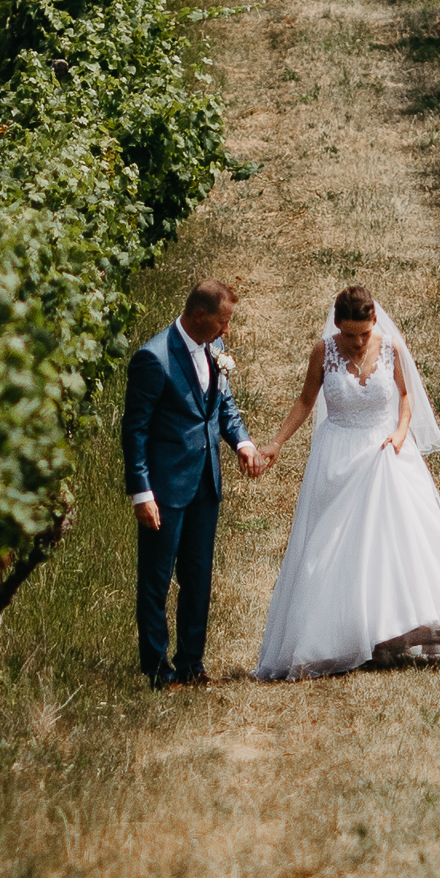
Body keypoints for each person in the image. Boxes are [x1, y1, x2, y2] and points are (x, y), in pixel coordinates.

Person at [252, 284, 440, 680]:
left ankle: (396, 629)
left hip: (385, 450)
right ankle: (341, 633)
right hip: (336, 454)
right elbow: (305, 400)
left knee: (399, 539)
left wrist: (402, 431)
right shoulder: (324, 352)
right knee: (333, 545)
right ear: (336, 326)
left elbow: (406, 395)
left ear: (374, 323)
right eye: (349, 335)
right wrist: (276, 444)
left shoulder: (391, 348)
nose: (356, 343)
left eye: (364, 334)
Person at [122, 279, 264, 685]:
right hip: (163, 487)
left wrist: (242, 442)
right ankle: (155, 668)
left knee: (198, 575)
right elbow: (134, 431)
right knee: (156, 578)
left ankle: (191, 663)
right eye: (223, 322)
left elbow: (224, 407)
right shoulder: (153, 358)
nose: (227, 331)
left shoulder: (214, 352)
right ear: (199, 315)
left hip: (205, 483)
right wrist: (141, 491)